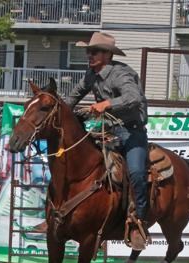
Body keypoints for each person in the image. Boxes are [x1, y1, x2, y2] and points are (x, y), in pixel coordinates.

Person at [63, 32, 149, 250]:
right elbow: (73, 97)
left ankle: (139, 220)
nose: (89, 55)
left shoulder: (121, 74)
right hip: (108, 131)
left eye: (94, 51)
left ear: (108, 55)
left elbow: (133, 98)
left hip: (132, 132)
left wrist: (106, 104)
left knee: (137, 173)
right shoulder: (91, 74)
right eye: (88, 51)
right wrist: (61, 110)